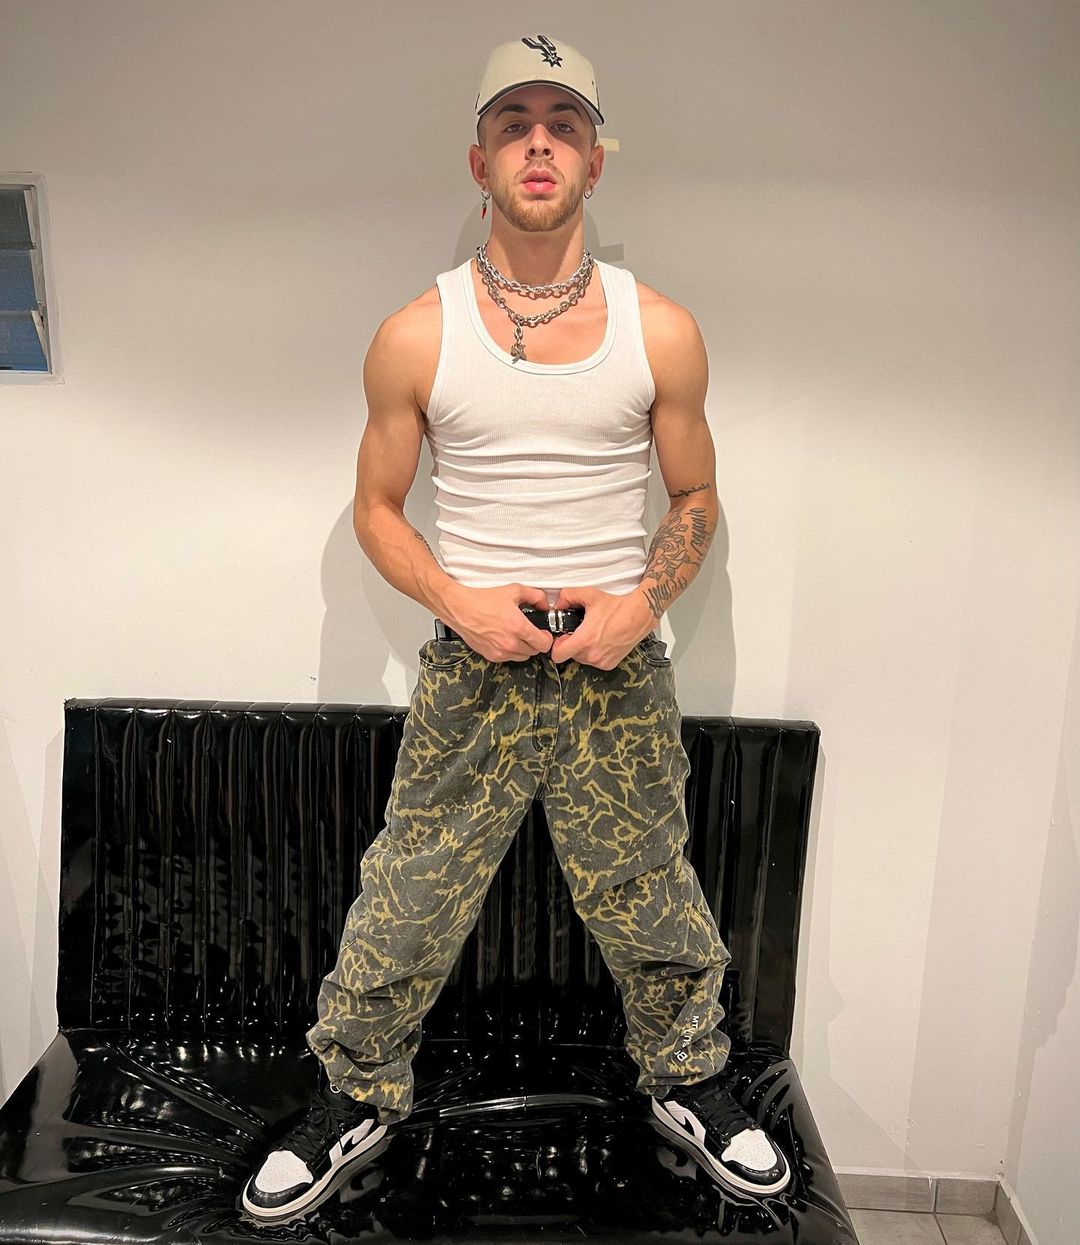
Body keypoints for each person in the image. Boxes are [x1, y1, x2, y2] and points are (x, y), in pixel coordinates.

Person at [240, 33, 791, 1222]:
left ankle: (688, 1080)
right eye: (513, 124)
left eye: (563, 123)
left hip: (615, 670)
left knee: (649, 886)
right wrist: (456, 601)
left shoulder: (663, 329)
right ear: (479, 158)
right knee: (412, 889)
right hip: (474, 669)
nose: (539, 143)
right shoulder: (416, 333)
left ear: (596, 157)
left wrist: (640, 606)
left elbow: (696, 497)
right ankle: (356, 1094)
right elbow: (376, 510)